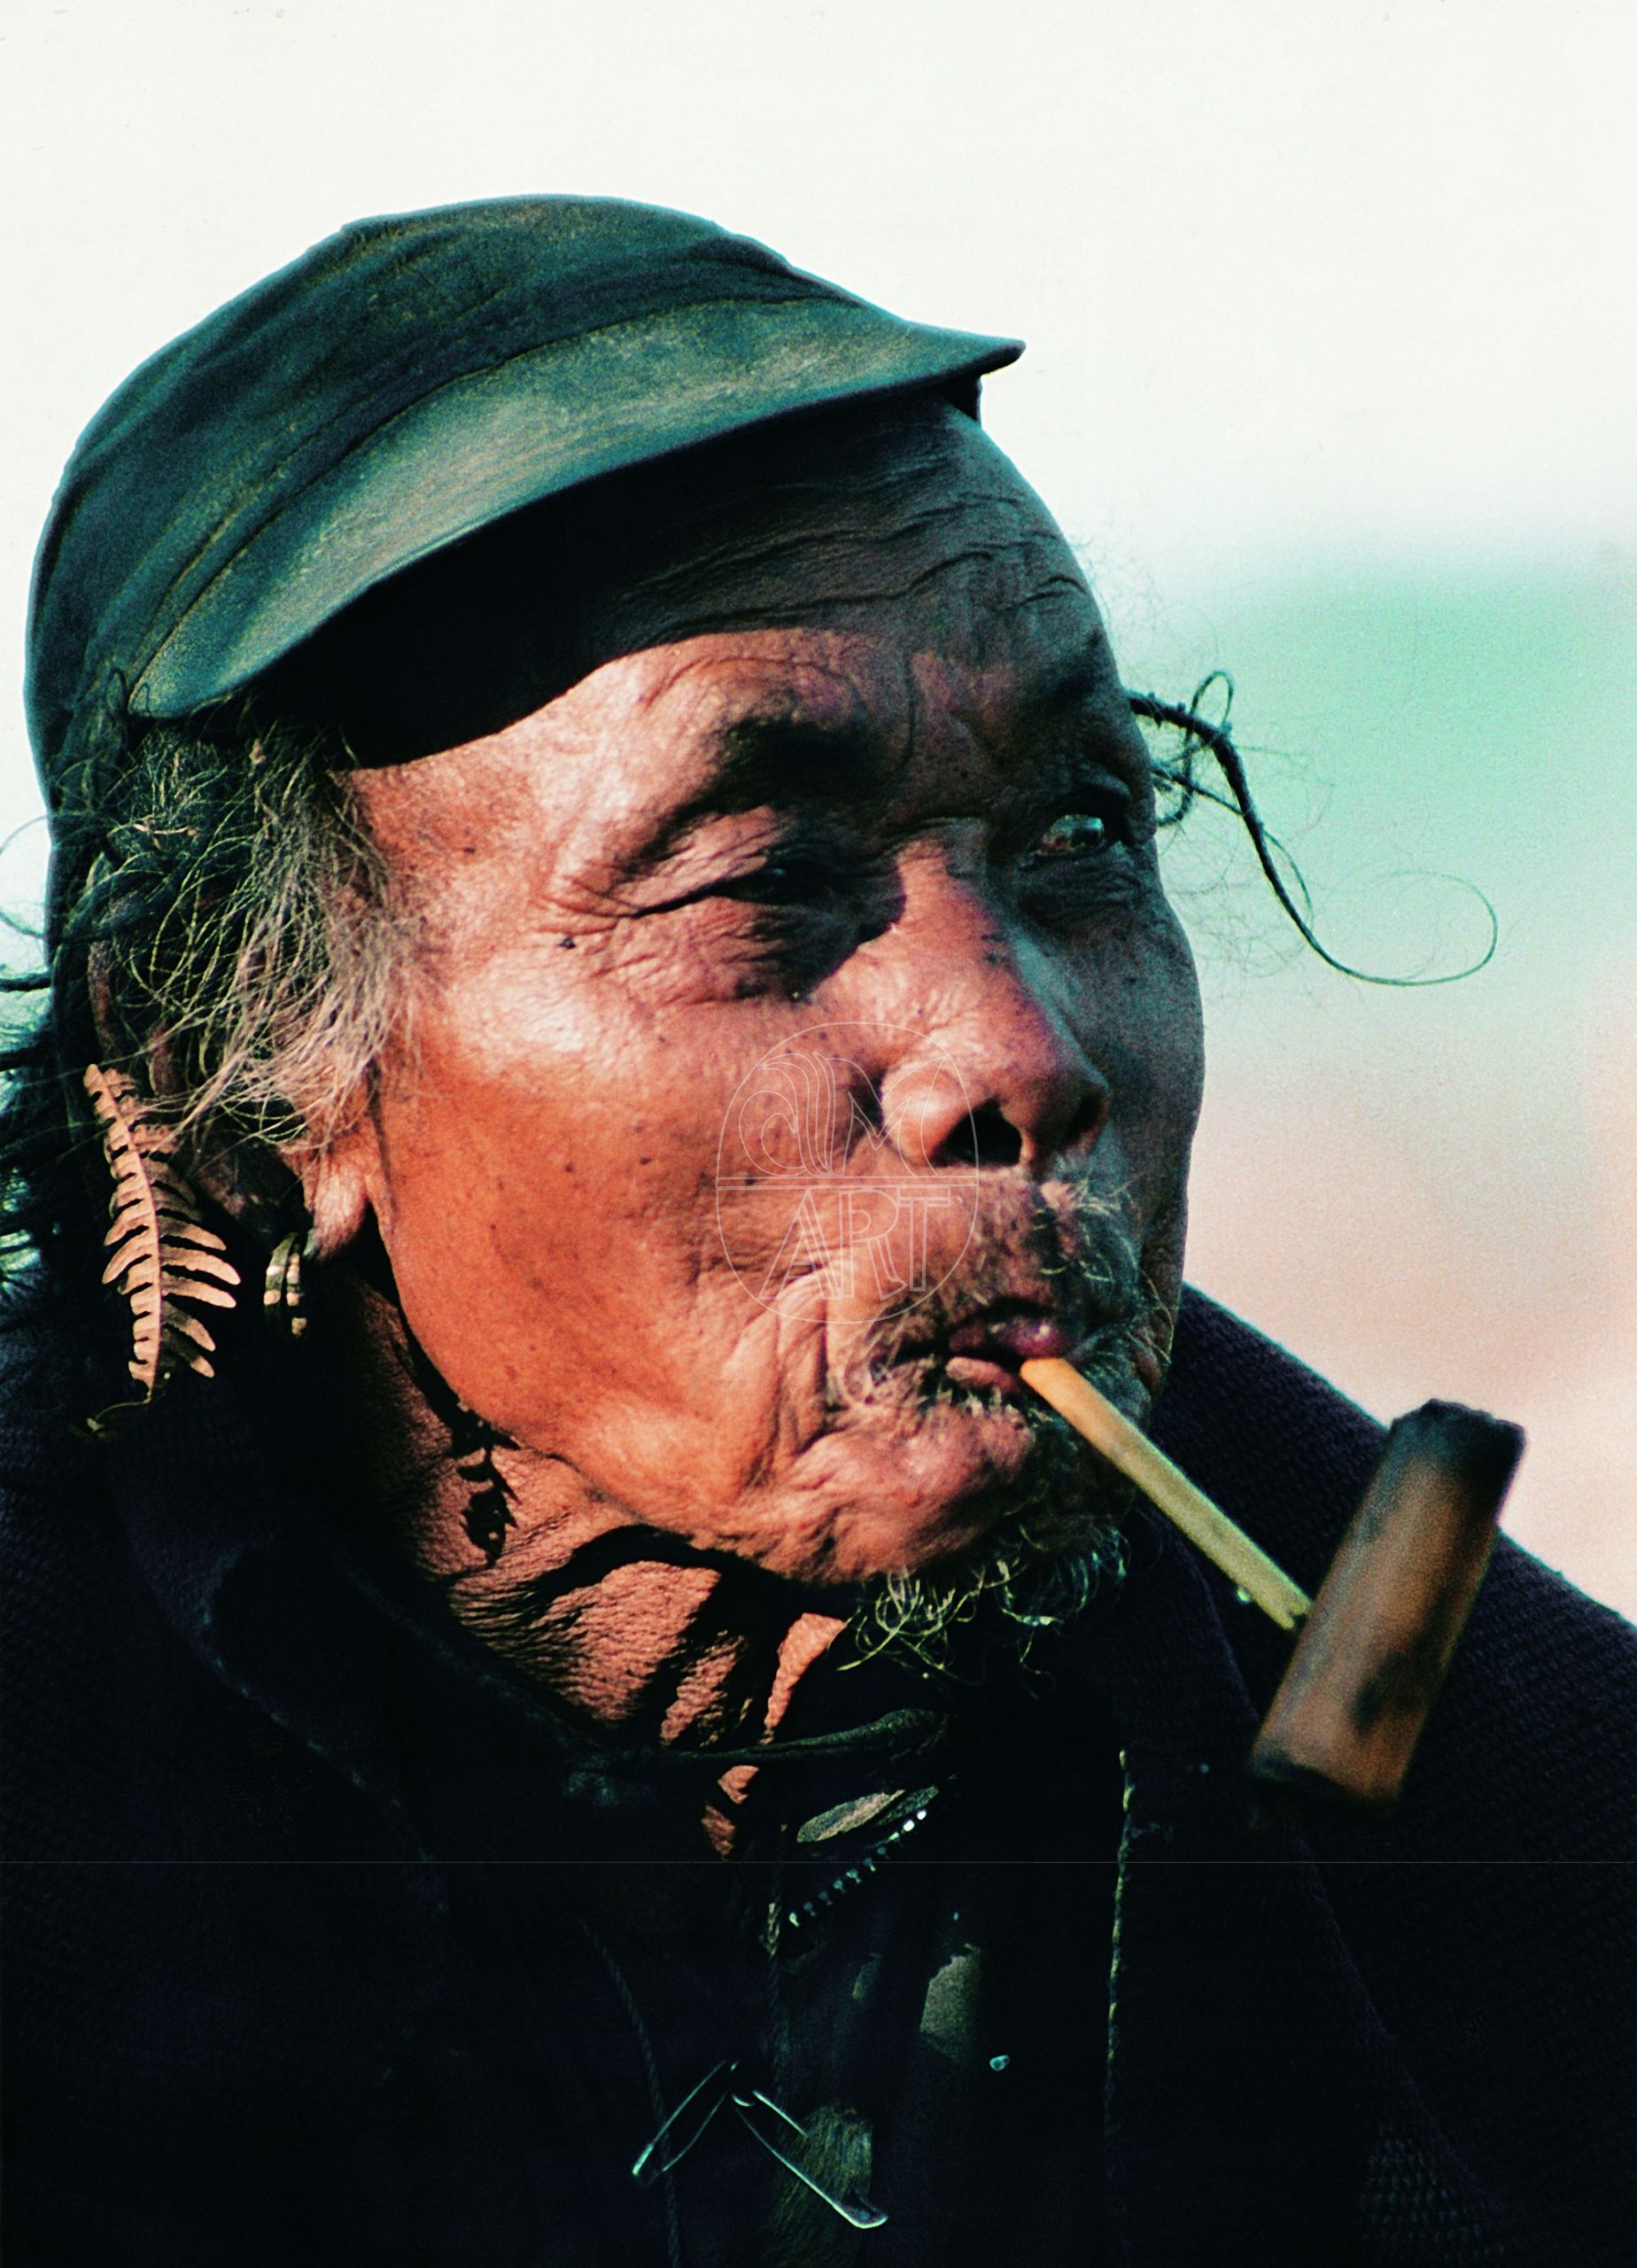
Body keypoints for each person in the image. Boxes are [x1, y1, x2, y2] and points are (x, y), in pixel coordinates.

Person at [1, 197, 1632, 2268]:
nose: (1021, 1050)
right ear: (258, 1065)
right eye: (760, 874)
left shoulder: (1511, 1836)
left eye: (1080, 835)